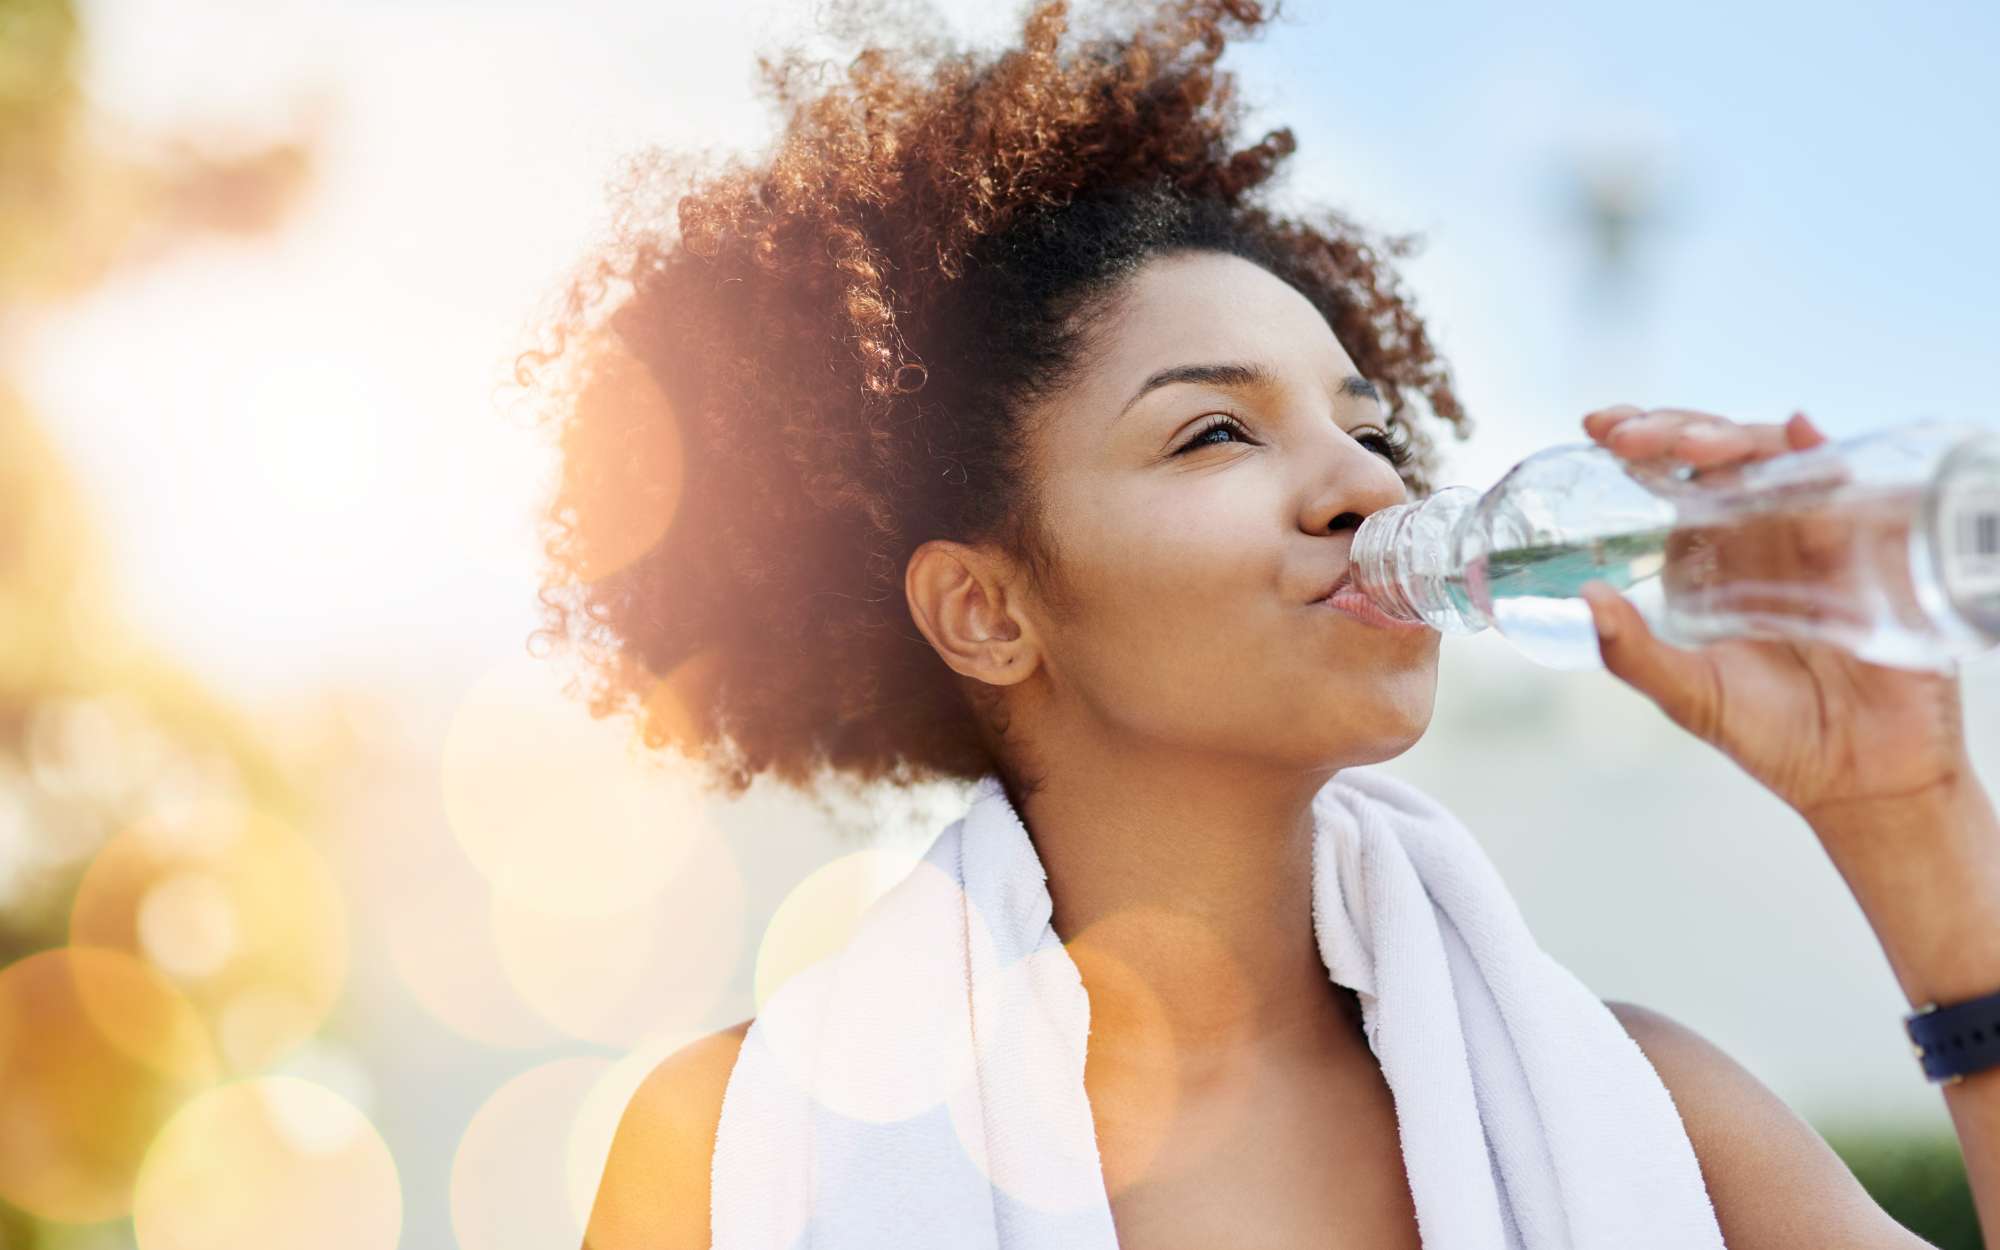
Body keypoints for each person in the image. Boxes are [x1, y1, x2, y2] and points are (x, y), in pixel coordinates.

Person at [519, 1, 2000, 1245]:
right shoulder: (731, 1160)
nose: (1363, 481)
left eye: (1367, 427)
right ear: (986, 608)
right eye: (1218, 432)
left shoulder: (1653, 1114)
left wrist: (1911, 818)